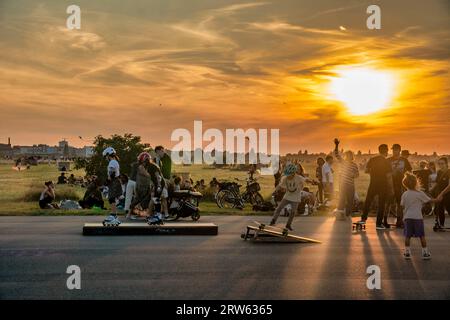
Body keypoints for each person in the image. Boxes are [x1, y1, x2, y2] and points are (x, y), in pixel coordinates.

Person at [401, 173, 436, 260]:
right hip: (417, 217)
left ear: (405, 184)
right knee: (421, 236)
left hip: (408, 217)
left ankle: (407, 252)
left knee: (407, 236)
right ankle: (425, 253)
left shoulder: (405, 194)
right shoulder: (420, 193)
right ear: (416, 182)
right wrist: (438, 199)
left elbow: (402, 205)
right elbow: (429, 200)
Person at [269, 163, 314, 231]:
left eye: (290, 175)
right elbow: (280, 186)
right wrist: (275, 191)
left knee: (293, 212)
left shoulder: (298, 177)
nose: (289, 176)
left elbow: (306, 180)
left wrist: (312, 182)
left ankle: (288, 225)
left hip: (296, 197)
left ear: (293, 173)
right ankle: (273, 221)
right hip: (287, 196)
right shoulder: (285, 178)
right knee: (279, 208)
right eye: (288, 175)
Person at [360, 144, 392, 230]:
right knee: (381, 205)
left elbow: (366, 170)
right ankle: (378, 224)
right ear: (385, 151)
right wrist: (391, 188)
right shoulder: (386, 162)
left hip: (373, 183)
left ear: (379, 150)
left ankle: (363, 219)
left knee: (368, 201)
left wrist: (373, 173)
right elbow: (388, 176)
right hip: (383, 185)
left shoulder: (372, 159)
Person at [387, 144, 412, 228]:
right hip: (390, 184)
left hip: (401, 185)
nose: (394, 151)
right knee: (388, 203)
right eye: (393, 150)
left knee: (400, 203)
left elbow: (410, 171)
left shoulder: (404, 160)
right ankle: (384, 220)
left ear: (399, 150)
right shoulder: (388, 160)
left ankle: (399, 220)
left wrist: (407, 181)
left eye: (396, 150)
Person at [333, 139, 359, 220]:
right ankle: (339, 214)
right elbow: (336, 154)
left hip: (351, 185)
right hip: (343, 185)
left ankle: (347, 214)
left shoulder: (354, 165)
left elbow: (357, 174)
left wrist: (353, 175)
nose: (348, 157)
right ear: (345, 156)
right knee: (342, 199)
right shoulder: (343, 162)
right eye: (347, 155)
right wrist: (336, 145)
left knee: (350, 200)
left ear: (352, 156)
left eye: (350, 155)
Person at [102, 147, 122, 226]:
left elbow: (112, 172)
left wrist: (108, 180)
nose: (106, 158)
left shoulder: (112, 162)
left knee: (111, 198)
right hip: (115, 181)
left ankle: (113, 215)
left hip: (114, 181)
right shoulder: (115, 161)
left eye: (106, 156)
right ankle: (114, 216)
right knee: (111, 198)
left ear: (108, 155)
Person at [431, 157, 450, 229]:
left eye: (442, 164)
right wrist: (431, 189)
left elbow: (449, 186)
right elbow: (437, 182)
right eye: (439, 164)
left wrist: (442, 193)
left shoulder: (449, 172)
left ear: (446, 164)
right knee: (439, 210)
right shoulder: (439, 172)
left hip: (448, 194)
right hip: (439, 193)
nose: (440, 165)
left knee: (449, 209)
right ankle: (442, 225)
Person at [155, 146, 172, 217]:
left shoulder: (166, 158)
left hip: (164, 179)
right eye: (156, 153)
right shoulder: (161, 158)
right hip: (161, 179)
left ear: (161, 150)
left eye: (157, 152)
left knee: (162, 197)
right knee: (161, 197)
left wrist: (158, 161)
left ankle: (163, 213)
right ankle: (162, 213)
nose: (157, 154)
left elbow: (161, 171)